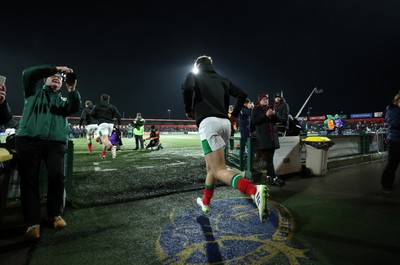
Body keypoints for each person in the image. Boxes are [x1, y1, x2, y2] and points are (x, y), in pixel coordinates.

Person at [182, 55, 268, 222]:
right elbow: (242, 95)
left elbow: (187, 89)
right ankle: (205, 203)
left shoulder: (195, 75)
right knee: (211, 169)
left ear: (198, 66)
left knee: (219, 170)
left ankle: (253, 190)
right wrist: (234, 115)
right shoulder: (223, 79)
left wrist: (188, 110)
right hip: (225, 124)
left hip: (208, 123)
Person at [14, 65, 81, 241]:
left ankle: (54, 214)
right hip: (29, 139)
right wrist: (55, 68)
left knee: (57, 176)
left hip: (55, 142)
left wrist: (72, 89)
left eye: (59, 77)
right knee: (29, 180)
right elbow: (27, 72)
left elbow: (75, 106)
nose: (57, 77)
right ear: (45, 79)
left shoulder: (62, 101)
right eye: (52, 76)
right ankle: (32, 223)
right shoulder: (33, 91)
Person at [252, 92, 285, 187]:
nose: (266, 100)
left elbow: (279, 119)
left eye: (266, 99)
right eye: (264, 99)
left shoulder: (271, 108)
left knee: (270, 159)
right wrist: (265, 115)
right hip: (264, 138)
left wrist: (274, 114)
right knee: (269, 159)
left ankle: (270, 177)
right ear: (260, 100)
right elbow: (255, 121)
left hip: (272, 138)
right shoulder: (256, 109)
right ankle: (273, 177)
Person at [90, 94, 121, 159]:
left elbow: (91, 114)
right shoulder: (112, 106)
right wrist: (119, 124)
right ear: (108, 99)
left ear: (101, 99)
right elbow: (118, 115)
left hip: (102, 124)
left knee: (103, 139)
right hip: (110, 125)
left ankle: (112, 147)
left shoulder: (97, 106)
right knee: (105, 140)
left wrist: (97, 118)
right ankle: (103, 155)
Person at [381, 91, 400, 194]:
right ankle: (386, 185)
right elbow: (393, 122)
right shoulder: (392, 109)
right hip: (395, 141)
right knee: (392, 164)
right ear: (397, 100)